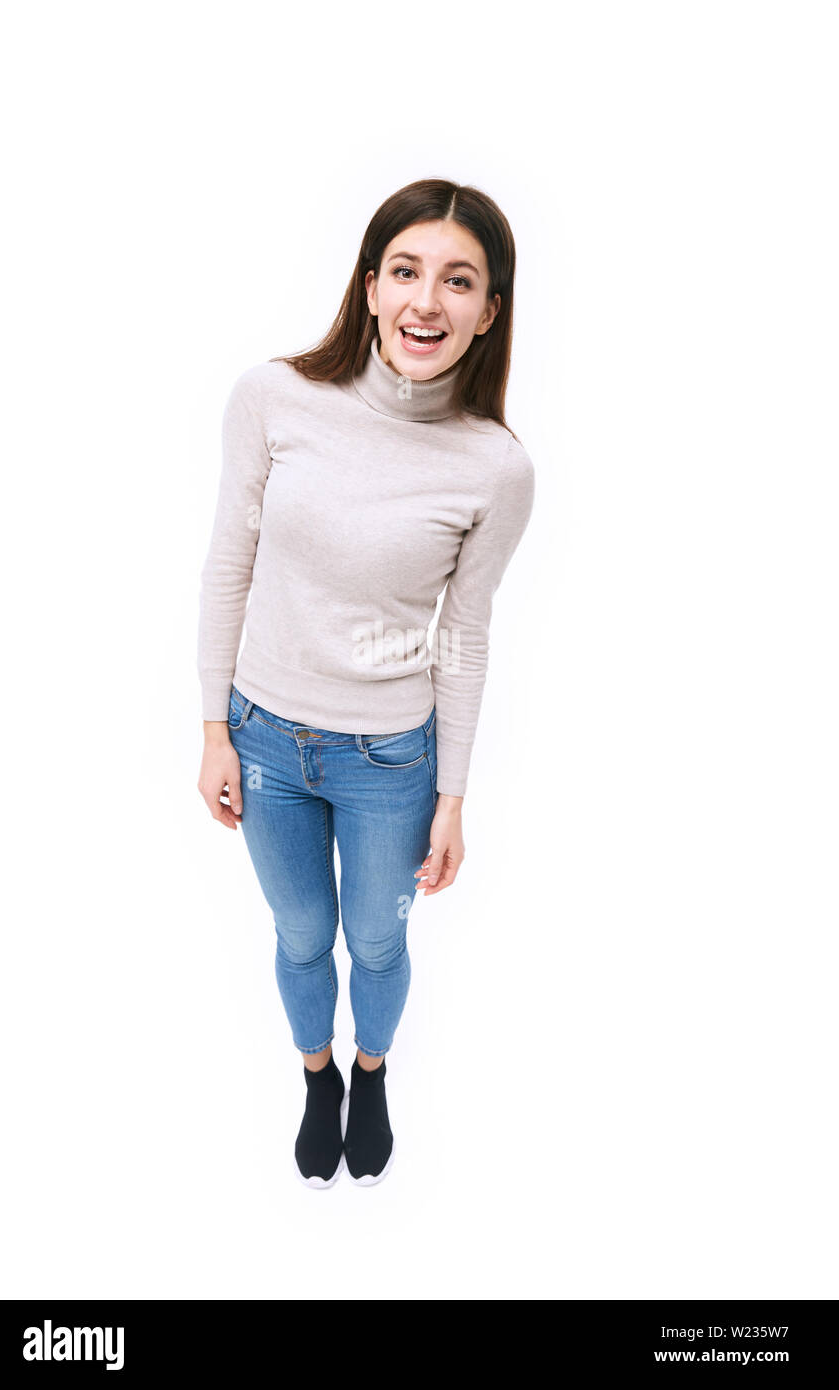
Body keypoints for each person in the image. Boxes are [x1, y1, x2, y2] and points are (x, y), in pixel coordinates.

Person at [196, 178, 536, 1188]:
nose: (426, 301)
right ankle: (317, 1077)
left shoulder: (494, 469)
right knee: (300, 933)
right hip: (263, 741)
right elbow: (228, 562)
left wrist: (454, 795)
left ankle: (371, 1068)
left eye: (457, 280)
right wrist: (212, 725)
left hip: (391, 758)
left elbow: (464, 635)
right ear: (370, 284)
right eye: (405, 271)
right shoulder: (272, 397)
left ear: (488, 311)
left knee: (374, 942)